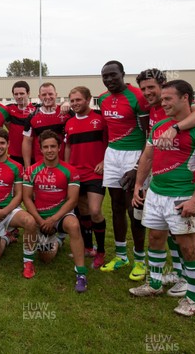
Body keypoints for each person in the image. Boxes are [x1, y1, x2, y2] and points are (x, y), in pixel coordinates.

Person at [129, 80, 195, 317]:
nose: (163, 102)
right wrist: (139, 185)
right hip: (157, 194)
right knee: (156, 238)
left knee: (188, 248)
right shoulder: (159, 126)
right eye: (163, 98)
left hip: (183, 197)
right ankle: (155, 284)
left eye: (168, 98)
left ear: (185, 98)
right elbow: (147, 157)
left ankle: (192, 298)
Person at [98, 60, 149, 281]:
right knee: (116, 206)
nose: (109, 80)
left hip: (134, 154)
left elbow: (149, 134)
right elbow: (107, 130)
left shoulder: (138, 96)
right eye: (105, 76)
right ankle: (121, 256)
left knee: (133, 208)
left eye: (113, 75)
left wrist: (138, 166)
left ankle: (139, 260)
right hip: (113, 154)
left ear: (123, 74)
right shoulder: (103, 99)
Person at [22, 130, 88, 293]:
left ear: (59, 147)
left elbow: (72, 200)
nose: (50, 150)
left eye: (53, 146)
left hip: (60, 216)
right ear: (41, 149)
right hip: (40, 218)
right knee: (46, 258)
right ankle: (58, 240)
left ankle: (81, 275)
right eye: (46, 147)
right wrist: (39, 220)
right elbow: (27, 198)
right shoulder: (31, 171)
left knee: (73, 225)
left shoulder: (70, 171)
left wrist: (53, 219)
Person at [64, 86, 108, 269]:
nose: (75, 104)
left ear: (88, 99)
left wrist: (105, 162)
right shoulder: (69, 123)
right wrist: (67, 170)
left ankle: (101, 251)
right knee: (82, 211)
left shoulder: (100, 120)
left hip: (95, 173)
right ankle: (88, 247)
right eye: (72, 100)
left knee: (95, 210)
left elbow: (111, 142)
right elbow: (67, 147)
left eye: (78, 100)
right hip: (76, 174)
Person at [0, 128, 33, 260]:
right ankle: (7, 238)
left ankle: (28, 262)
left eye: (2, 143)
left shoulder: (16, 166)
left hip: (9, 211)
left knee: (30, 222)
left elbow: (19, 194)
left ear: (8, 144)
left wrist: (4, 212)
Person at [22, 82, 73, 169]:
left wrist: (67, 103)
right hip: (40, 166)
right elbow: (27, 142)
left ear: (56, 95)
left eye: (50, 94)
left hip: (63, 166)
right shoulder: (32, 116)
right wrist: (27, 167)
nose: (47, 97)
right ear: (39, 97)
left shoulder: (68, 113)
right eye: (44, 94)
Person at [6, 81, 36, 165]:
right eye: (16, 94)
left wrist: (65, 103)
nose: (19, 96)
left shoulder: (36, 110)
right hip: (14, 156)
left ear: (28, 93)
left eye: (22, 93)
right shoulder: (9, 109)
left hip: (33, 156)